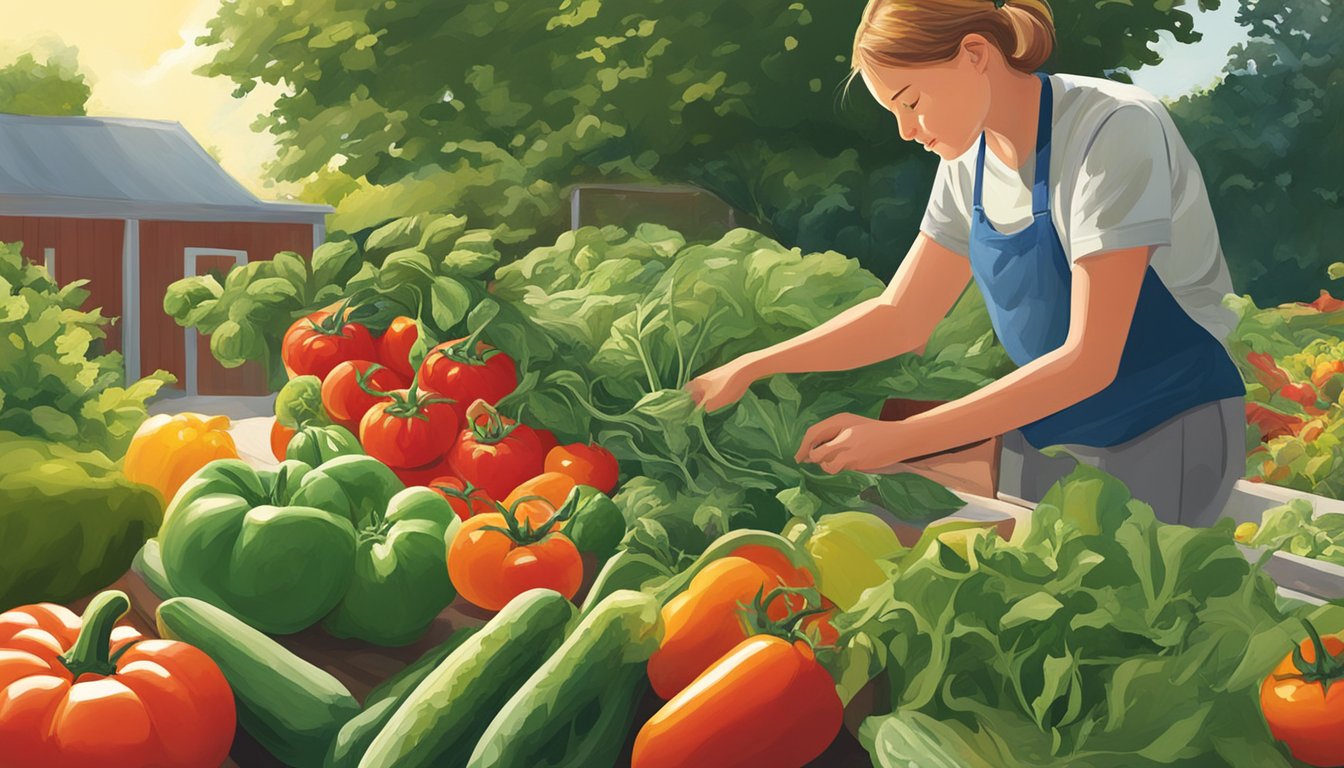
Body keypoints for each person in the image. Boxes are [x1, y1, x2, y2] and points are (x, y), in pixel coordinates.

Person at [684, 0, 1247, 527]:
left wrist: (900, 438)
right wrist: (752, 365)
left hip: (1167, 439)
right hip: (1054, 435)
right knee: (854, 486)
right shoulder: (968, 158)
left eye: (910, 102)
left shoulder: (1113, 128)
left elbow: (1090, 360)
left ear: (974, 54)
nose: (906, 130)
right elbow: (902, 316)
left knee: (894, 508)